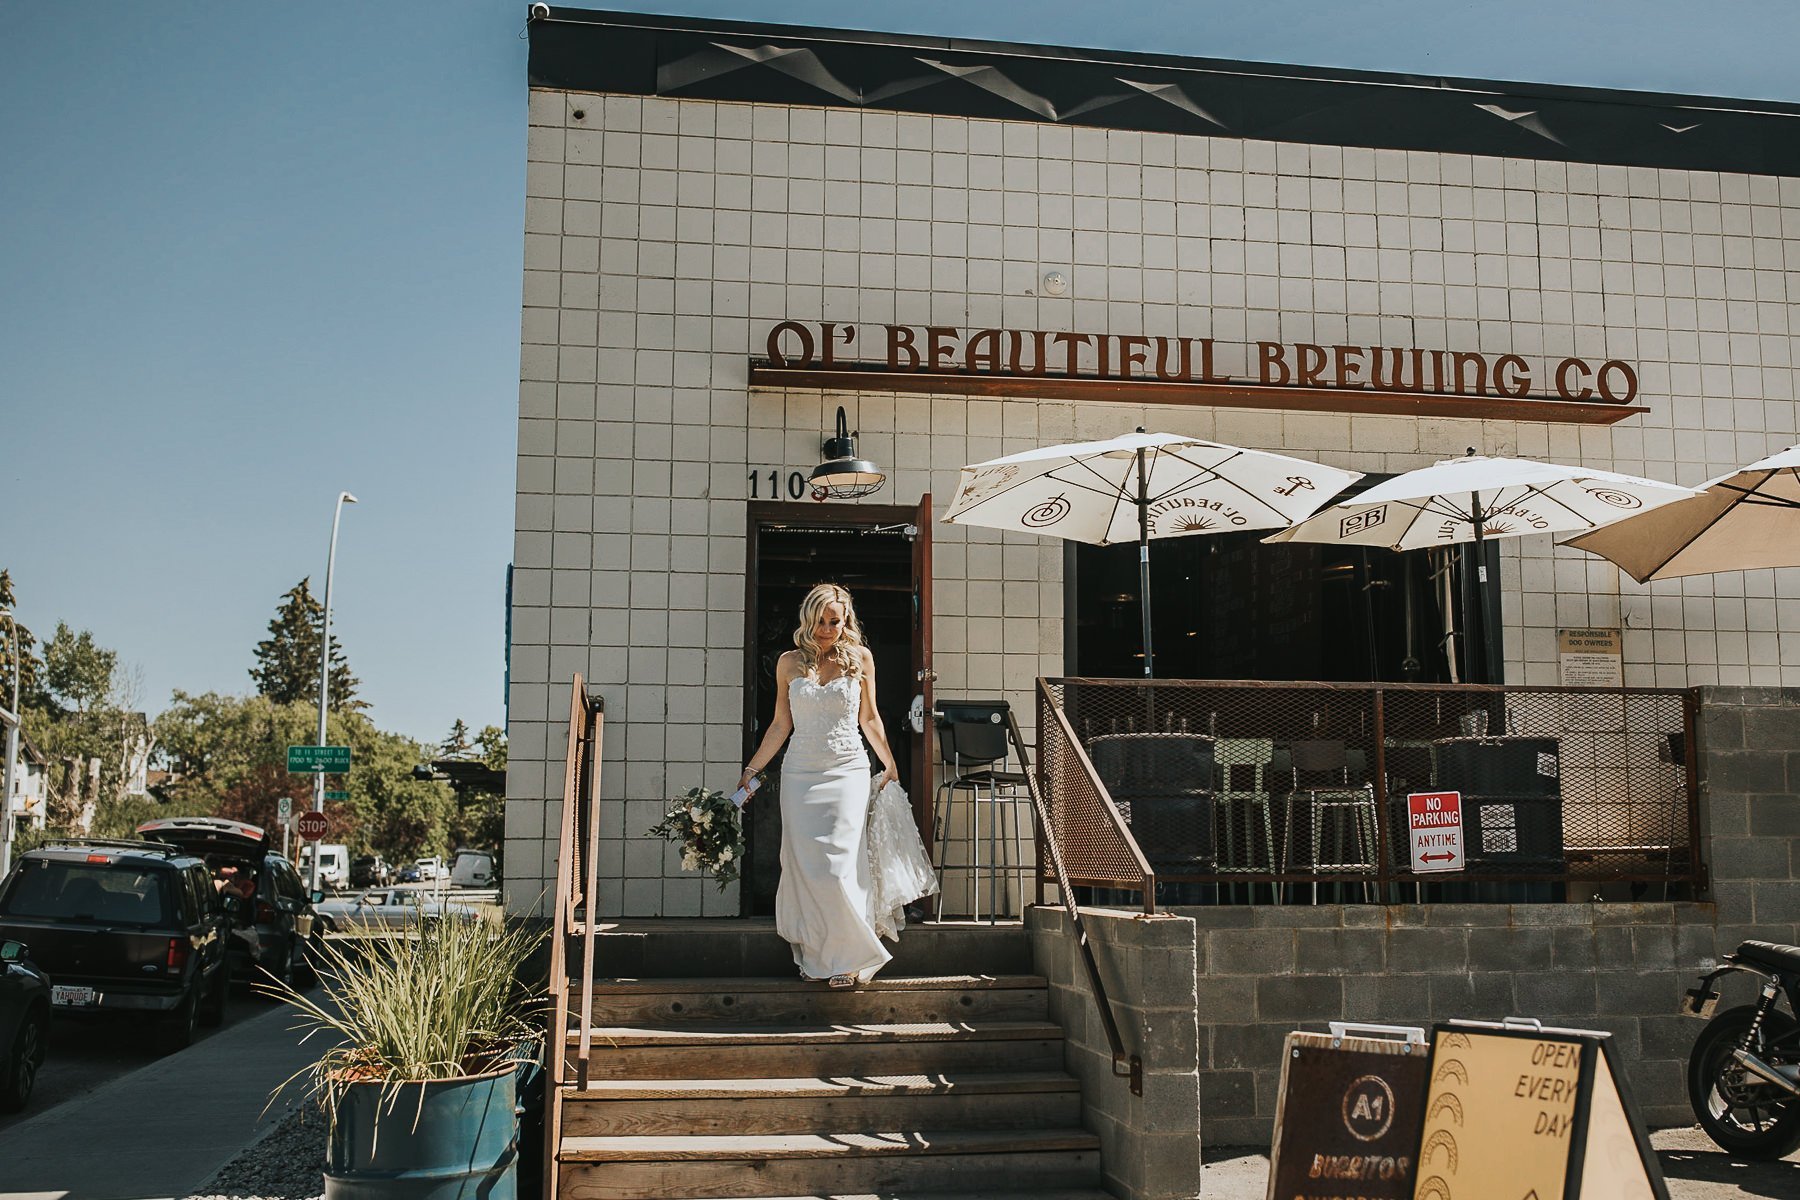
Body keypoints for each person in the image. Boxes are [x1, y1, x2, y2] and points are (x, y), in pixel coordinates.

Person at [739, 582, 900, 989]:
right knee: (808, 867)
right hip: (800, 774)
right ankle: (819, 956)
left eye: (835, 620)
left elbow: (870, 718)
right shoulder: (788, 663)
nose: (828, 628)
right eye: (821, 620)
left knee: (840, 865)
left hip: (848, 769)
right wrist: (752, 769)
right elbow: (780, 724)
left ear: (846, 621)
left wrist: (889, 761)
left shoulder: (860, 658)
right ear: (808, 619)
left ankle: (851, 958)